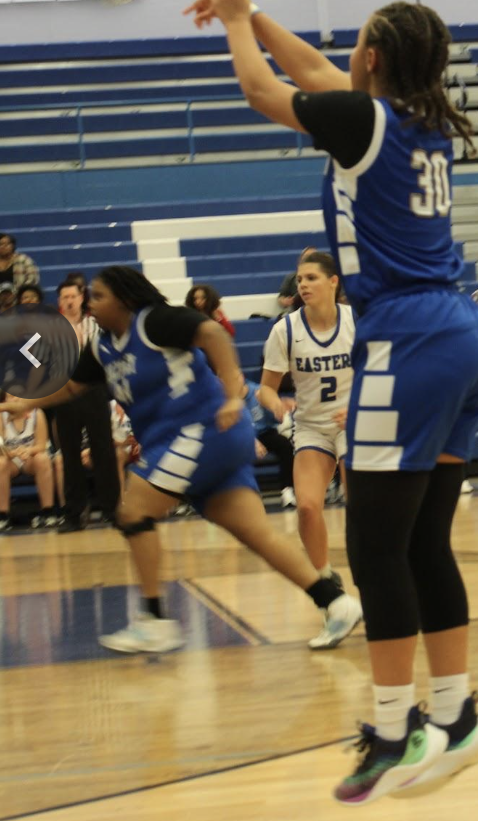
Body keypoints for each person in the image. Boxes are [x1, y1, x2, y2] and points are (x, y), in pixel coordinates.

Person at [185, 0, 478, 804]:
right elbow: (318, 74)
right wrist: (250, 9)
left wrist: (232, 23)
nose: (341, 57)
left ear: (371, 57)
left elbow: (262, 85)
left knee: (373, 547)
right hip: (463, 335)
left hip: (410, 338)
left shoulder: (367, 118)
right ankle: (459, 714)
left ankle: (396, 730)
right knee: (423, 542)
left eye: (354, 44)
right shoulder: (415, 119)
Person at [0, 266, 359, 653]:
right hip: (192, 441)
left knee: (133, 511)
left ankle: (154, 620)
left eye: (99, 296)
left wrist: (234, 393)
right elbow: (72, 385)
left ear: (123, 299)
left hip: (201, 430)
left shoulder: (154, 322)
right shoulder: (100, 345)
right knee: (257, 533)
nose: (91, 303)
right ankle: (336, 602)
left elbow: (213, 333)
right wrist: (25, 402)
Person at [258, 250, 363, 649]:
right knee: (306, 506)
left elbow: (385, 369)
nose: (302, 284)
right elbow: (267, 386)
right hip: (312, 427)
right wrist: (276, 404)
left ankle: (375, 585)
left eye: (311, 278)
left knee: (362, 509)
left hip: (356, 422)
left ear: (333, 282)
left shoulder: (358, 320)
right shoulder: (285, 329)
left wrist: (361, 407)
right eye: (299, 279)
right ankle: (328, 587)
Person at [54, 277, 121, 533]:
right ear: (59, 301)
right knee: (69, 453)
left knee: (103, 450)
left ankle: (111, 509)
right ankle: (74, 513)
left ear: (82, 298)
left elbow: (112, 350)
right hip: (63, 392)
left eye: (73, 296)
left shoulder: (96, 324)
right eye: (64, 297)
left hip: (93, 390)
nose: (69, 301)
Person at [0, 402, 57, 531]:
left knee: (42, 459)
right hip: (11, 460)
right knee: (0, 463)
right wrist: (13, 453)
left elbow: (42, 445)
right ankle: (2, 516)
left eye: (17, 396)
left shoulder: (37, 413)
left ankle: (48, 512)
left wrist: (28, 451)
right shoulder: (1, 416)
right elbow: (0, 447)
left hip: (30, 458)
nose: (14, 399)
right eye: (10, 395)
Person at [244, 380, 295, 509]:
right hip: (245, 435)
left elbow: (275, 420)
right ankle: (247, 494)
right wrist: (252, 440)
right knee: (235, 450)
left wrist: (275, 410)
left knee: (285, 445)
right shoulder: (227, 399)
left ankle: (287, 491)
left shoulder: (259, 392)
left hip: (265, 432)